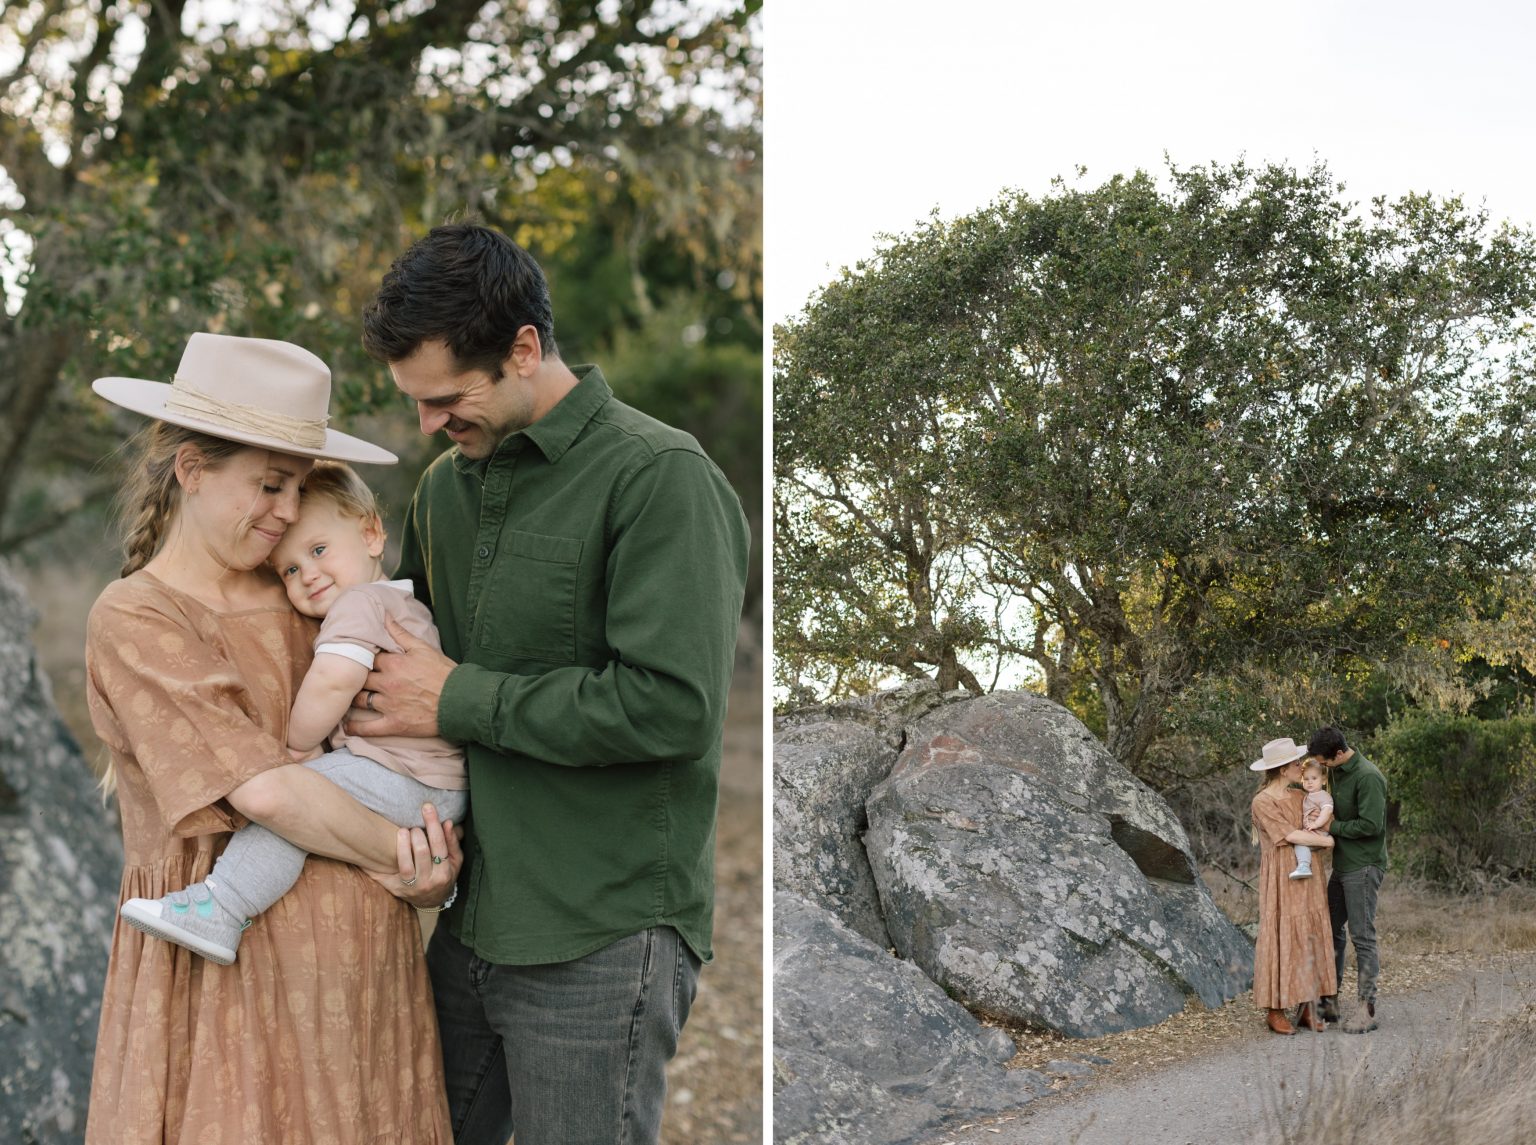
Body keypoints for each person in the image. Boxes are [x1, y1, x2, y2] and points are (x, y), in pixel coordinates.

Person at [351, 222, 751, 1145]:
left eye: (446, 397)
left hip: (602, 932)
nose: (426, 426)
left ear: (524, 349)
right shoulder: (444, 492)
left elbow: (672, 708)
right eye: (413, 401)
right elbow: (411, 684)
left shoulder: (661, 478)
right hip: (469, 916)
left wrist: (457, 696)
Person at [84, 333, 461, 1143]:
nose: (288, 512)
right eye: (268, 484)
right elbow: (266, 790)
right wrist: (403, 852)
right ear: (191, 469)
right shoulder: (139, 616)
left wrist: (431, 876)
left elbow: (401, 733)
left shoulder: (310, 592)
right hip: (227, 978)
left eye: (296, 488)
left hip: (361, 977)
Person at [117, 460, 468, 965]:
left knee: (294, 807)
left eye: (319, 550)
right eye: (291, 570)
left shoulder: (360, 604)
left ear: (372, 533)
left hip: (406, 777)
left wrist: (299, 746)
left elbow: (333, 680)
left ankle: (224, 905)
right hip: (426, 788)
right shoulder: (399, 603)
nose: (309, 575)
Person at [1249, 737, 1338, 1035]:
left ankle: (1307, 1007)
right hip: (1280, 875)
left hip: (1308, 874)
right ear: (1282, 768)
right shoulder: (1262, 801)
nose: (1300, 766)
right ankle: (1275, 1010)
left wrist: (1324, 831)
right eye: (1295, 763)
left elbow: (1321, 819)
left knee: (1309, 934)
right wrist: (1325, 841)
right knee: (1280, 935)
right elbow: (1290, 835)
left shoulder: (1301, 795)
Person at [1309, 725, 1389, 1033]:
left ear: (1340, 753)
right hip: (1342, 866)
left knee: (1362, 935)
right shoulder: (1336, 772)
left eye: (1326, 762)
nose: (1324, 767)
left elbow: (1371, 825)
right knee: (1329, 929)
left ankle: (1367, 1009)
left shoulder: (1368, 777)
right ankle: (1329, 1000)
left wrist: (1332, 828)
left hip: (1364, 866)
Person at [1288, 760, 1334, 881]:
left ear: (1323, 780)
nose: (1309, 782)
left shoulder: (1323, 795)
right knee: (1301, 843)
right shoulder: (1307, 796)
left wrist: (1316, 823)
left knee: (1300, 842)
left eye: (1314, 778)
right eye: (1306, 778)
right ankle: (1304, 864)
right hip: (1313, 830)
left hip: (1318, 831)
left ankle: (1304, 866)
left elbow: (1327, 811)